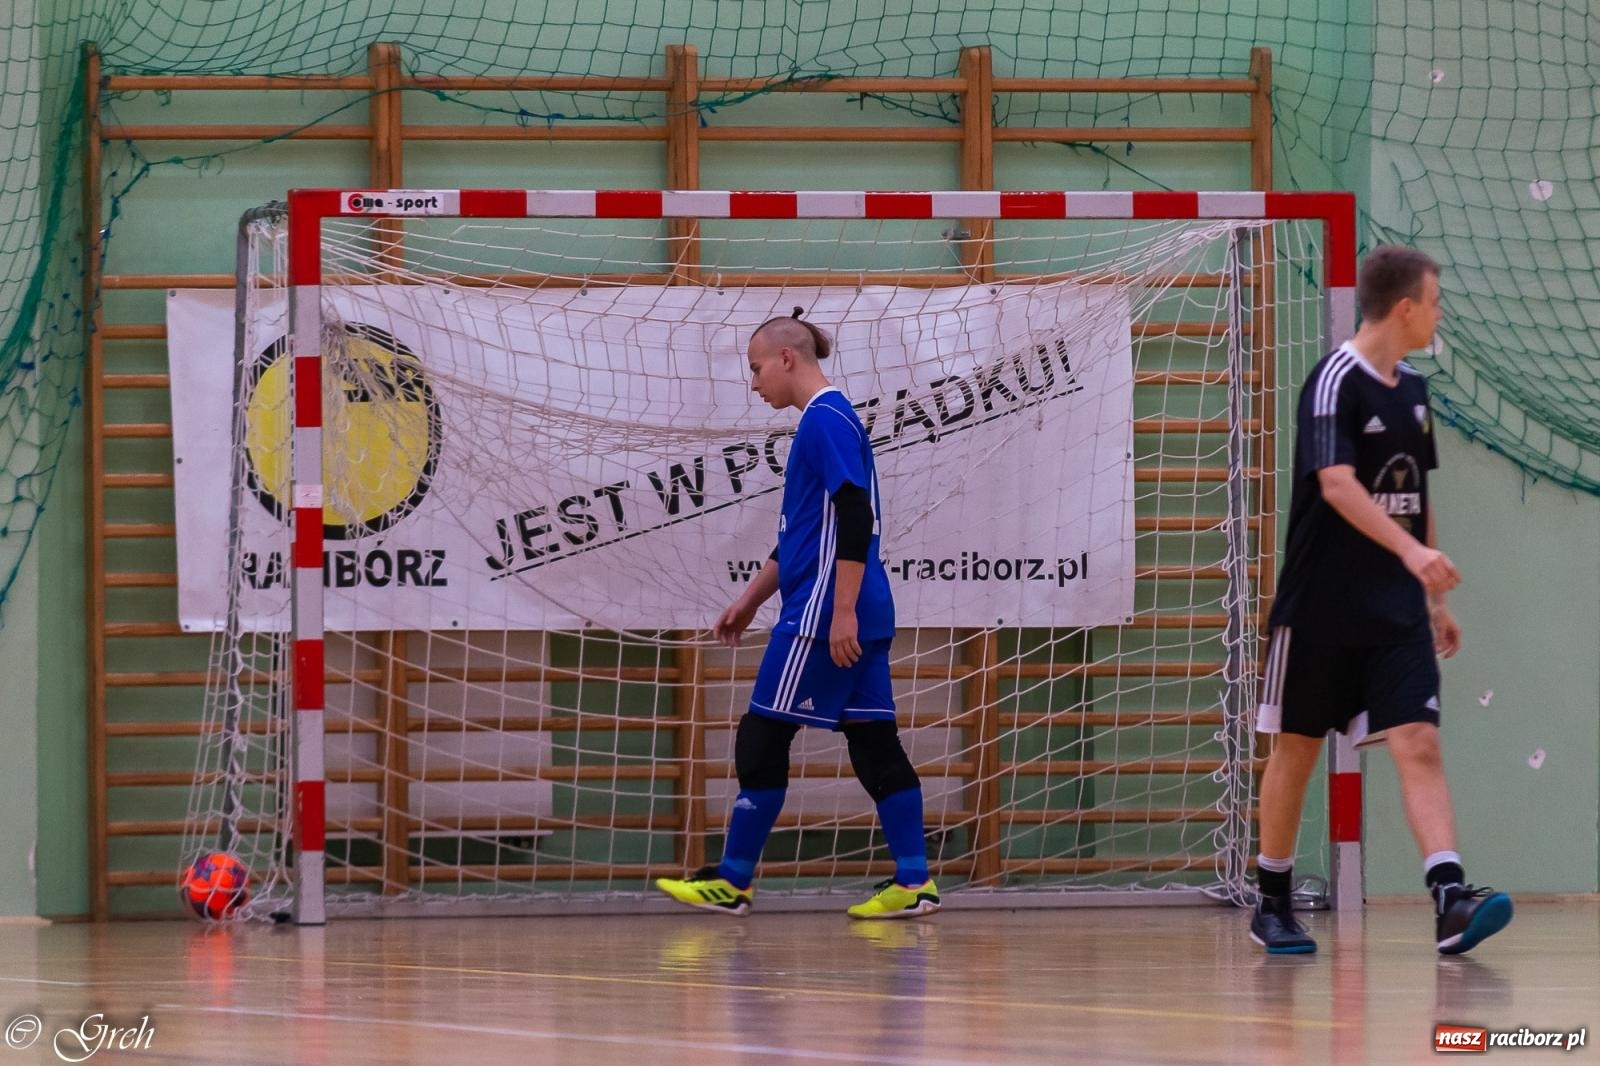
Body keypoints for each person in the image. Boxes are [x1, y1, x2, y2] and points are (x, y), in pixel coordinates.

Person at [1250, 245, 1512, 955]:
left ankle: (1450, 898)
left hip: (1394, 610)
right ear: (1405, 306)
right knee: (1297, 749)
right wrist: (1413, 554)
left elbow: (1413, 495)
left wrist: (1430, 593)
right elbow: (1336, 483)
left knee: (1419, 741)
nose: (1439, 313)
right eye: (1435, 301)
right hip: (1320, 608)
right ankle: (1271, 899)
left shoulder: (1415, 391)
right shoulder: (1334, 380)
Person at [655, 308, 938, 920]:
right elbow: (806, 536)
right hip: (861, 607)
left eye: (756, 368)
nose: (753, 383)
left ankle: (732, 881)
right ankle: (915, 882)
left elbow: (856, 520)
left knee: (762, 734)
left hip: (822, 614)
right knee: (873, 741)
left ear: (788, 358)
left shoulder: (823, 420)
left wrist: (838, 615)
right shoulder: (827, 421)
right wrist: (749, 600)